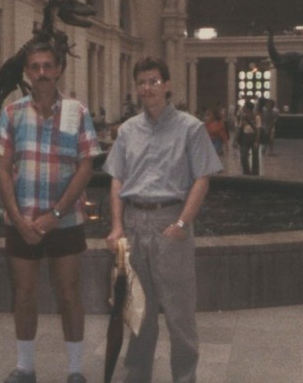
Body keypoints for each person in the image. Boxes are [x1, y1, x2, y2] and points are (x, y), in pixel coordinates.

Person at [103, 57, 223, 383]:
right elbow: (116, 180)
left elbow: (202, 179)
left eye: (154, 81)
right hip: (134, 224)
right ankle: (136, 377)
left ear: (167, 85)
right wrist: (116, 226)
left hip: (170, 223)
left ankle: (184, 378)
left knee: (179, 315)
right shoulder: (127, 131)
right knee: (138, 314)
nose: (147, 88)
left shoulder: (191, 128)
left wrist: (183, 223)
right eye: (142, 82)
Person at [0, 41, 101, 383]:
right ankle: (25, 368)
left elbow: (86, 167)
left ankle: (76, 370)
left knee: (69, 294)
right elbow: (3, 170)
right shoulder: (11, 114)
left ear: (59, 70)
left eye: (47, 66)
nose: (41, 73)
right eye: (35, 66)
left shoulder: (78, 112)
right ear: (27, 71)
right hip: (21, 221)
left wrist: (55, 213)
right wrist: (18, 218)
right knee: (24, 295)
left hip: (65, 220)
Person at [234, 100, 261, 175]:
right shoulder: (242, 117)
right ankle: (246, 172)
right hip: (244, 137)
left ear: (248, 108)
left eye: (245, 107)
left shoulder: (256, 117)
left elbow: (258, 130)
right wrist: (236, 140)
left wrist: (257, 141)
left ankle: (255, 173)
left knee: (255, 156)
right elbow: (239, 128)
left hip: (253, 136)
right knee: (243, 156)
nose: (243, 108)